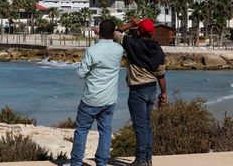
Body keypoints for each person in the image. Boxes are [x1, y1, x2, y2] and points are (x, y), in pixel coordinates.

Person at [67, 19, 124, 166]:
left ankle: (76, 163)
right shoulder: (118, 49)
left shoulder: (92, 50)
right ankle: (101, 162)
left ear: (99, 32)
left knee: (81, 130)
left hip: (91, 98)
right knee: (105, 131)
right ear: (113, 32)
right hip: (110, 99)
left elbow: (81, 73)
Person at [114, 18, 166, 166]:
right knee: (147, 125)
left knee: (140, 127)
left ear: (139, 31)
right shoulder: (158, 49)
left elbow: (114, 33)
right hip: (152, 88)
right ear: (152, 32)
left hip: (138, 90)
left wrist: (130, 24)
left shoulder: (131, 44)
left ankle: (140, 160)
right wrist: (164, 93)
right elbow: (161, 74)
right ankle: (148, 159)